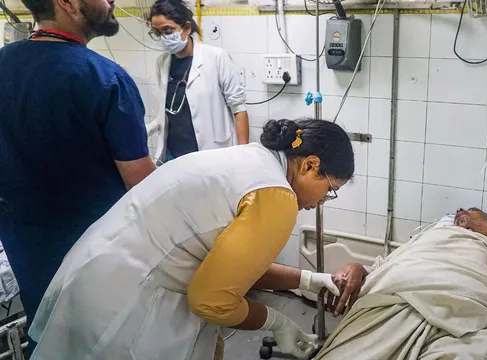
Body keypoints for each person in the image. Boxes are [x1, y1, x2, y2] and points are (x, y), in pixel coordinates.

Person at [28, 118, 355, 360]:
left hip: (99, 271)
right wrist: (280, 324)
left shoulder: (251, 161)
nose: (318, 203)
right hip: (127, 299)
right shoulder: (276, 196)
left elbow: (234, 266)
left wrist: (311, 280)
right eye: (329, 191)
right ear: (311, 165)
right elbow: (212, 300)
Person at [0, 0, 155, 339]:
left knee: (49, 339)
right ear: (67, 3)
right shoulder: (104, 78)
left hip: (29, 255)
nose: (111, 1)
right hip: (97, 260)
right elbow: (143, 187)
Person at [317, 208, 487, 359]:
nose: (460, 211)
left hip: (467, 316)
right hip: (395, 303)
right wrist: (359, 268)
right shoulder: (428, 236)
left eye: (473, 211)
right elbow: (387, 268)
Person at [146, 0, 250, 163]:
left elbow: (239, 109)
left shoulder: (216, 57)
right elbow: (169, 110)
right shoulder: (162, 62)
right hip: (174, 154)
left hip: (212, 152)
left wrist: (244, 156)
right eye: (157, 33)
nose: (163, 38)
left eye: (167, 30)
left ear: (186, 28)